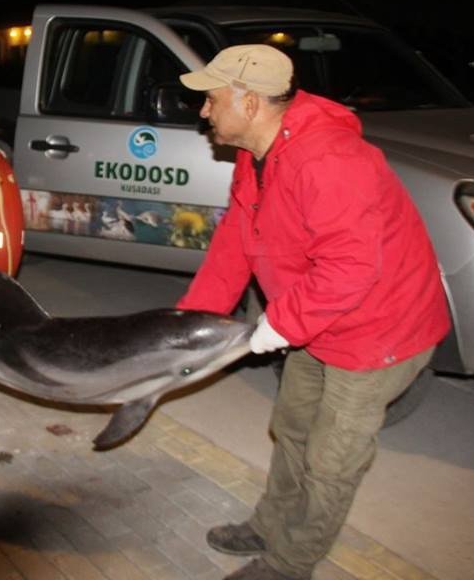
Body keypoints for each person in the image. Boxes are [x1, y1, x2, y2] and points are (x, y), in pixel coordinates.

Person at [177, 45, 451, 580]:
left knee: (331, 460)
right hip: (319, 317)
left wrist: (276, 327)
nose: (204, 113)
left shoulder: (328, 160)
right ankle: (270, 524)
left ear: (249, 103)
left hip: (380, 330)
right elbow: (237, 238)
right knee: (294, 427)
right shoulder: (257, 153)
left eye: (211, 100)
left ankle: (288, 564)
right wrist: (192, 319)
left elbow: (350, 268)